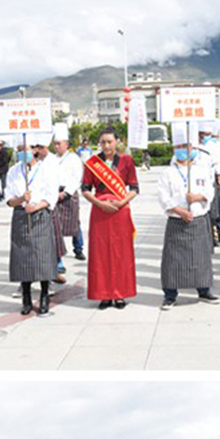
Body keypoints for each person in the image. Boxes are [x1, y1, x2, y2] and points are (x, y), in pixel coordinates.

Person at [157, 121, 219, 310]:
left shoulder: (201, 170)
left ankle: (204, 290)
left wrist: (198, 197)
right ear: (174, 149)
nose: (184, 149)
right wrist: (180, 211)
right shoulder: (168, 172)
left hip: (198, 220)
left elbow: (210, 191)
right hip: (177, 221)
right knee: (172, 260)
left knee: (200, 258)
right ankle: (170, 295)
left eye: (187, 146)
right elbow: (164, 197)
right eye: (180, 146)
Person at [82, 126, 139, 309]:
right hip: (100, 212)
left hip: (120, 211)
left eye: (109, 142)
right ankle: (104, 294)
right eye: (103, 142)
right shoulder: (92, 163)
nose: (106, 146)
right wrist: (100, 204)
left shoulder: (126, 161)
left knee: (121, 252)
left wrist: (121, 202)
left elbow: (134, 188)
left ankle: (120, 294)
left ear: (117, 142)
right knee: (100, 253)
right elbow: (85, 189)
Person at [5, 136, 58, 316]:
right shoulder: (13, 171)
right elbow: (9, 199)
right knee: (23, 257)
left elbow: (51, 196)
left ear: (35, 149)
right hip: (20, 216)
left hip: (40, 215)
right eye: (19, 150)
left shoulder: (46, 170)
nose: (23, 153)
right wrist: (21, 199)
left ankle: (44, 296)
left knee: (43, 257)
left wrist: (36, 206)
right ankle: (26, 298)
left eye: (25, 149)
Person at [52, 122, 86, 264]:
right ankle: (58, 254)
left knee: (74, 222)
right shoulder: (51, 159)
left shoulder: (74, 158)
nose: (56, 146)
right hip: (55, 194)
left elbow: (77, 178)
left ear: (66, 144)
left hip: (69, 194)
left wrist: (66, 193)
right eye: (55, 144)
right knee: (55, 224)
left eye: (59, 144)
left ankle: (78, 248)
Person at [199, 120, 220, 245]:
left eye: (207, 134)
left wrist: (219, 175)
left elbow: (219, 162)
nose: (204, 137)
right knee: (208, 211)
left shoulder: (216, 145)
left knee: (218, 210)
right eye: (202, 134)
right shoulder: (196, 145)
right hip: (201, 181)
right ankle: (211, 236)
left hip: (214, 179)